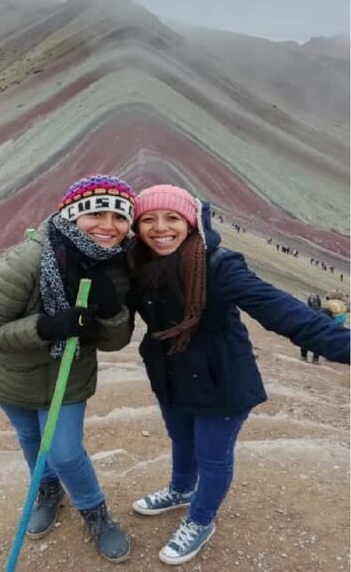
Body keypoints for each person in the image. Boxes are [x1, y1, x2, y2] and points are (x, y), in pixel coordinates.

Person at [127, 185, 350, 566]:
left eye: (172, 218)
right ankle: (181, 490)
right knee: (180, 440)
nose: (160, 228)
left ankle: (200, 521)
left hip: (221, 380)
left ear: (192, 222)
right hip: (169, 375)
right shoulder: (136, 264)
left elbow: (282, 311)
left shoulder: (218, 266)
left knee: (212, 457)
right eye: (148, 219)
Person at [0, 174, 136, 562]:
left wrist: (110, 313)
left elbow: (116, 341)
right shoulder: (30, 259)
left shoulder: (117, 266)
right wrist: (48, 326)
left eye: (119, 216)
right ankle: (48, 490)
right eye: (96, 213)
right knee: (30, 437)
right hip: (9, 373)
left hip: (69, 373)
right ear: (72, 214)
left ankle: (96, 515)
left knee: (64, 452)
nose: (108, 226)